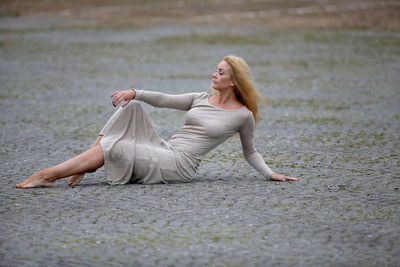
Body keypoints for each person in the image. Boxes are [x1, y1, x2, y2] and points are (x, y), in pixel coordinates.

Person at [16, 55, 298, 189]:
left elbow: (250, 151)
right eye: (215, 69)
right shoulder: (201, 97)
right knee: (133, 108)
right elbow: (164, 99)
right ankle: (87, 161)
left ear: (233, 81)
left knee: (117, 146)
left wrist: (269, 173)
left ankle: (49, 175)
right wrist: (134, 92)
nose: (214, 74)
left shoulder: (242, 115)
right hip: (164, 148)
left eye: (220, 72)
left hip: (178, 165)